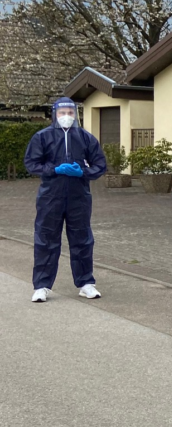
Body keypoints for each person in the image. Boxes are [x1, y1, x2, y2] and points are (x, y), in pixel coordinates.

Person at [23, 97, 107, 303]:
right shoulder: (42, 137)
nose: (67, 116)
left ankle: (86, 283)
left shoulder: (85, 137)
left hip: (79, 197)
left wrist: (83, 172)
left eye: (70, 112)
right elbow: (31, 163)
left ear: (76, 114)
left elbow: (100, 164)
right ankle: (41, 286)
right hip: (50, 197)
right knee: (45, 239)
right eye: (62, 113)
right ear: (55, 114)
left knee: (82, 239)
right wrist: (55, 169)